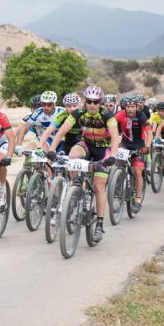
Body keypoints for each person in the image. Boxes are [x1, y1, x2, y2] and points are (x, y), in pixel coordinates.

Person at [47, 86, 120, 242]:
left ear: (100, 102)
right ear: (85, 101)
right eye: (89, 101)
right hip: (86, 145)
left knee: (99, 186)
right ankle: (76, 184)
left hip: (104, 150)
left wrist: (112, 156)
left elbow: (114, 137)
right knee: (73, 155)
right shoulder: (78, 113)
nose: (92, 105)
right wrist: (52, 150)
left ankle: (99, 224)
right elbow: (61, 132)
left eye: (95, 102)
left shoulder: (108, 115)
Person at [114, 96, 152, 205]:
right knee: (117, 163)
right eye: (128, 107)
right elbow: (110, 128)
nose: (130, 109)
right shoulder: (120, 114)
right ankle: (117, 183)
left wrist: (147, 147)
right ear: (124, 107)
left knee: (137, 171)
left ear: (136, 107)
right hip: (124, 144)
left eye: (133, 107)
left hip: (139, 146)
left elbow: (149, 133)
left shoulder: (141, 115)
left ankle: (138, 196)